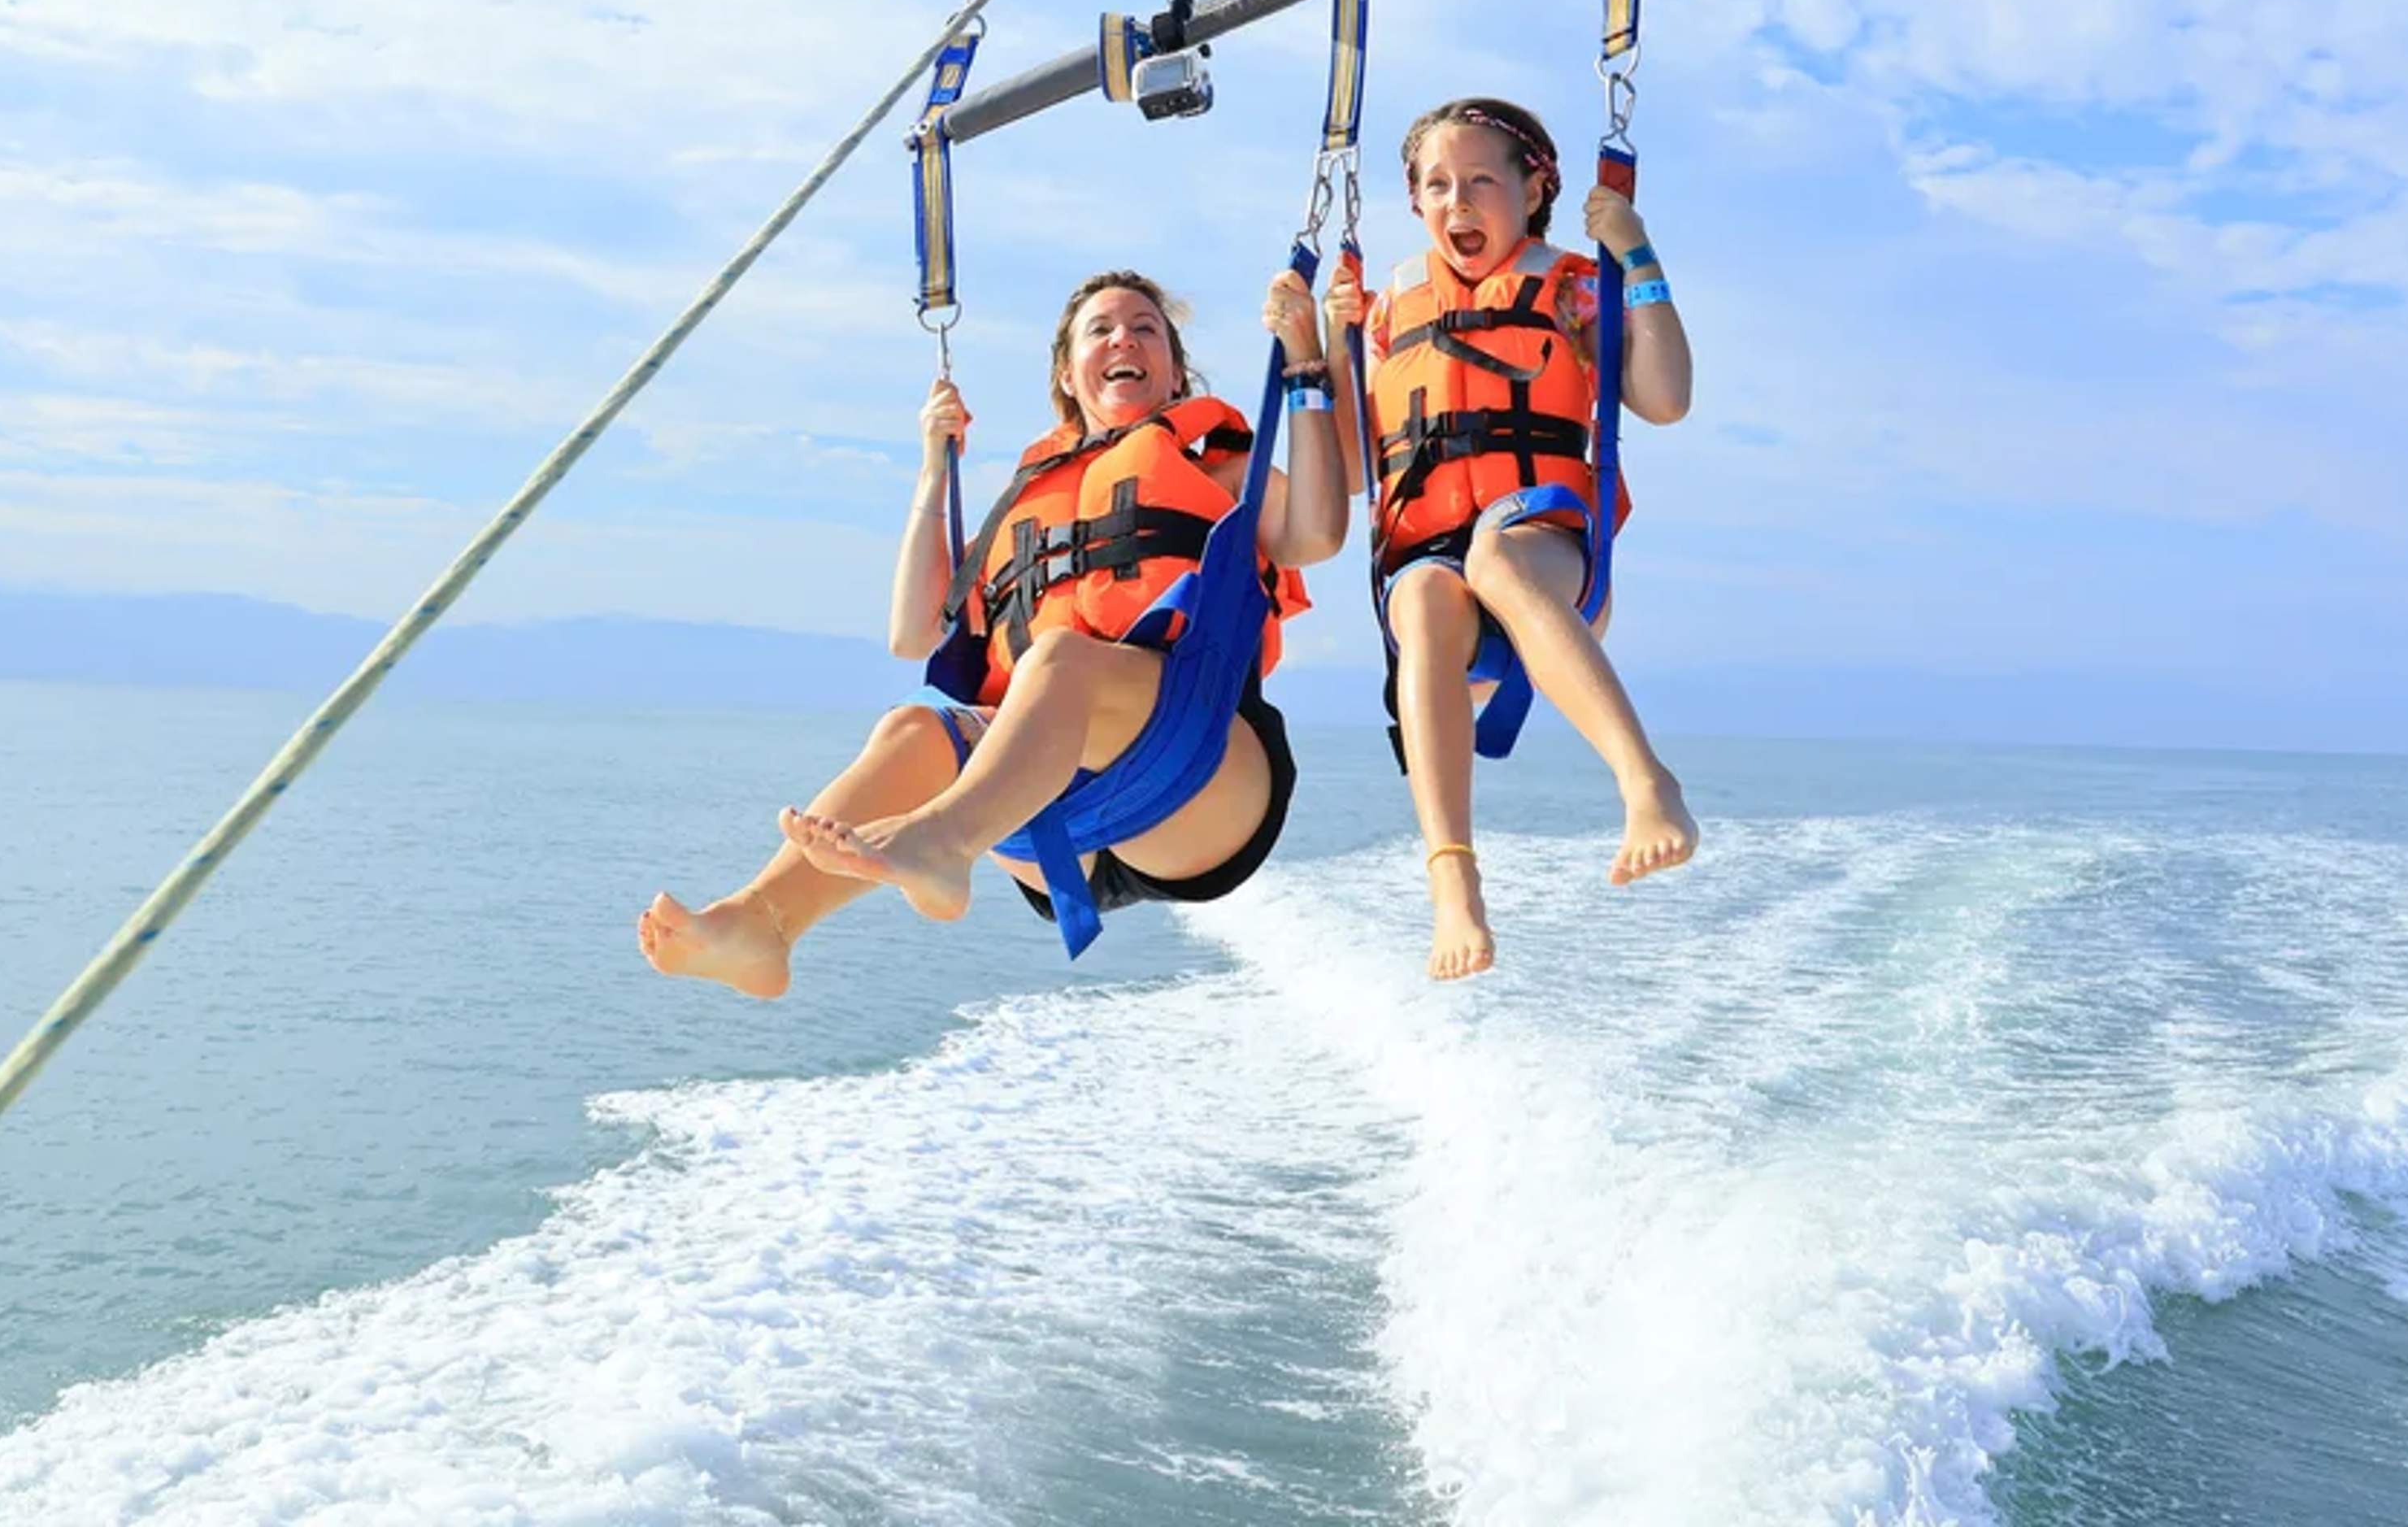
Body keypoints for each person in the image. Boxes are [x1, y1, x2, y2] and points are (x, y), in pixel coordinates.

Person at [640, 266, 1350, 997]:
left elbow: (1318, 533)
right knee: (916, 727)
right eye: (1100, 329)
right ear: (1067, 376)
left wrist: (1303, 359)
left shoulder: (1221, 472)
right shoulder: (1029, 507)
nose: (1123, 338)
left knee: (1059, 659)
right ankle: (762, 925)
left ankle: (942, 841)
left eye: (1145, 330)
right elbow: (915, 635)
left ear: (1174, 377)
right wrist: (932, 465)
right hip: (1049, 831)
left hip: (1198, 770)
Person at [1324, 97, 1699, 983]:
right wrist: (1324, 352)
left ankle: (1646, 781)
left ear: (1533, 191)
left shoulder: (1569, 287)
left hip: (1544, 547)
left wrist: (1635, 255)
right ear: (1414, 203)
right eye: (1437, 185)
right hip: (1432, 571)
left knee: (1493, 553)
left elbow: (1667, 396)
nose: (1458, 202)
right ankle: (1453, 880)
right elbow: (1349, 468)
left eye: (1481, 181)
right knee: (1421, 595)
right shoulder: (1384, 316)